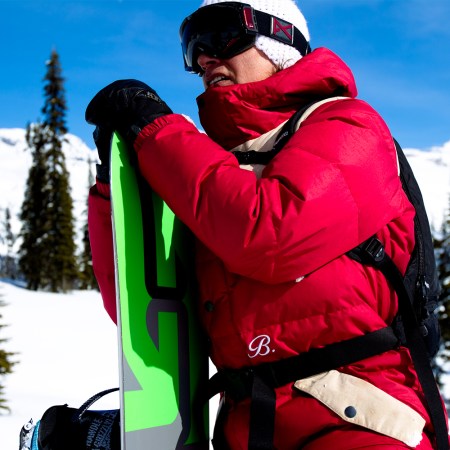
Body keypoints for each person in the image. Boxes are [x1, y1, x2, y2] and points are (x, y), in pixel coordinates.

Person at [85, 1, 448, 449]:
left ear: (281, 44)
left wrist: (156, 133)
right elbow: (154, 310)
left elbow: (270, 234)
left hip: (359, 424)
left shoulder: (348, 126)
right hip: (249, 427)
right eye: (191, 45)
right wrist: (114, 186)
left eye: (220, 34)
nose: (202, 57)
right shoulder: (213, 179)